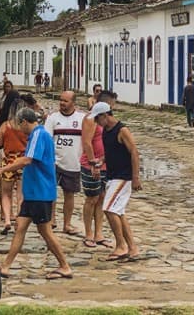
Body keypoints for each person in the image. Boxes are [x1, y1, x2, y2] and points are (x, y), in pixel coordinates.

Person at [0, 107, 72, 280]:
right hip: (33, 192)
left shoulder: (38, 135)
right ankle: (6, 266)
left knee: (46, 232)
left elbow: (27, 160)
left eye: (20, 124)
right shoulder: (38, 135)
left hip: (40, 193)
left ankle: (65, 266)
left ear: (25, 122)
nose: (19, 128)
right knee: (20, 228)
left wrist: (1, 170)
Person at [91, 101, 141, 261]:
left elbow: (133, 152)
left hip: (123, 176)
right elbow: (112, 151)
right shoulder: (106, 130)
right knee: (118, 211)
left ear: (105, 115)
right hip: (112, 175)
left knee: (109, 209)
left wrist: (135, 177)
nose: (96, 123)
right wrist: (101, 161)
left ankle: (121, 246)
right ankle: (132, 247)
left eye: (97, 119)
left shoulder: (122, 130)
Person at [44, 90, 85, 235]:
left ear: (73, 102)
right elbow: (47, 140)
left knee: (69, 194)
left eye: (65, 101)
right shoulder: (53, 118)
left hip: (73, 162)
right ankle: (52, 220)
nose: (62, 103)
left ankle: (67, 224)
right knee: (51, 192)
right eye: (60, 100)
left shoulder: (81, 119)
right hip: (54, 162)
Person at [80, 89, 117, 248]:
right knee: (92, 199)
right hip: (91, 164)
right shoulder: (90, 119)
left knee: (102, 198)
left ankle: (99, 233)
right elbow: (87, 142)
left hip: (105, 164)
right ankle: (88, 233)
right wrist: (93, 163)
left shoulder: (107, 119)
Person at [0, 90, 27, 234]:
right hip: (22, 162)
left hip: (8, 162)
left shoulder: (5, 125)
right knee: (21, 194)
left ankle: (7, 219)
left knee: (6, 193)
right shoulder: (26, 128)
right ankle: (19, 219)